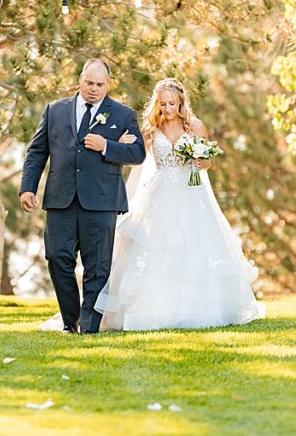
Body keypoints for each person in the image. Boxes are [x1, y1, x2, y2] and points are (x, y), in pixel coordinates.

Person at [94, 78, 266, 330]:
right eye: (162, 104)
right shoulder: (152, 129)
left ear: (181, 102)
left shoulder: (196, 127)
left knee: (193, 248)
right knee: (155, 249)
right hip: (159, 193)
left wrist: (201, 163)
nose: (167, 109)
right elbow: (133, 153)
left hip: (191, 193)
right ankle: (149, 311)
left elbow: (207, 161)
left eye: (172, 103)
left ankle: (197, 309)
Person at [19, 58, 147, 333]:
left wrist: (106, 146)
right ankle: (71, 319)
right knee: (57, 257)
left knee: (98, 266)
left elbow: (138, 154)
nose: (94, 89)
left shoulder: (123, 115)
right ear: (80, 79)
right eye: (89, 83)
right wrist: (28, 187)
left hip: (102, 202)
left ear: (108, 84)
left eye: (100, 84)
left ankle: (89, 327)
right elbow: (37, 151)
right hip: (60, 198)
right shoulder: (55, 110)